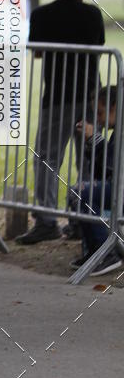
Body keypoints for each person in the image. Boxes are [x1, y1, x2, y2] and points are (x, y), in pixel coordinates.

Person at [16, 0, 104, 245]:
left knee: (46, 159)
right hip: (90, 98)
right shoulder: (92, 15)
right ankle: (83, 219)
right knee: (88, 159)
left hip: (56, 98)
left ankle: (46, 220)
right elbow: (98, 48)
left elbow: (39, 54)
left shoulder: (42, 15)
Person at [70, 87, 121, 276]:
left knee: (82, 193)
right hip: (117, 189)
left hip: (120, 190)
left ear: (115, 106)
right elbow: (103, 171)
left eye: (100, 112)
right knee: (79, 192)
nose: (98, 118)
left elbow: (114, 165)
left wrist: (96, 139)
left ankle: (105, 254)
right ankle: (94, 252)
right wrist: (92, 142)